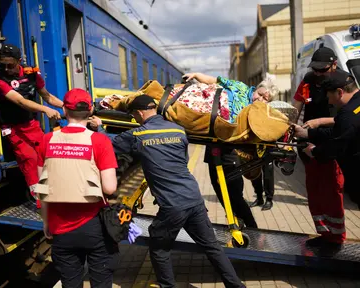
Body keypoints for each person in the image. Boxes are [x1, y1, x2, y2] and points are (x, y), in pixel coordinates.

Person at [89, 95, 245, 288]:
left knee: (159, 247)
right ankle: (236, 286)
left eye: (134, 116)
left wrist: (100, 128)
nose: (135, 120)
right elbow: (183, 160)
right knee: (212, 247)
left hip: (173, 205)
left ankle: (166, 285)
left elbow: (108, 146)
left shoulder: (138, 135)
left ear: (139, 113)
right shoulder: (179, 130)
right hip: (194, 198)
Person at [35, 89, 119, 288]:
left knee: (70, 283)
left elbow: (43, 189)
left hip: (60, 227)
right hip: (95, 226)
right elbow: (109, 188)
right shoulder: (99, 140)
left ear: (64, 109)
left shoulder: (47, 140)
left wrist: (46, 222)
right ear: (90, 109)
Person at [182, 72, 279, 228]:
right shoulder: (239, 86)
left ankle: (251, 227)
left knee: (234, 194)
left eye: (265, 99)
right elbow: (214, 80)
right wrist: (195, 74)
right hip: (214, 146)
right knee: (219, 189)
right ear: (256, 89)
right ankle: (235, 220)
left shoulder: (259, 113)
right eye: (260, 95)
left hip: (233, 153)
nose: (260, 99)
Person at [0, 44, 63, 208]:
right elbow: (21, 101)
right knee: (30, 159)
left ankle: (56, 191)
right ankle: (40, 200)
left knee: (47, 155)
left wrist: (67, 107)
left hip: (30, 124)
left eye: (10, 65)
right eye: (2, 64)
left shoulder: (32, 74)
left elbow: (47, 96)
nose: (6, 69)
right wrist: (45, 110)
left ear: (19, 61)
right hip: (13, 128)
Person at [292, 47, 346, 246]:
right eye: (315, 69)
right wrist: (289, 131)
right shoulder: (308, 81)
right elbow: (296, 108)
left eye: (322, 70)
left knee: (332, 191)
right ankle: (324, 234)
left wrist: (320, 122)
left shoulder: (343, 82)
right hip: (308, 144)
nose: (317, 74)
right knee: (315, 192)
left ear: (334, 65)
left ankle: (337, 238)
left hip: (331, 143)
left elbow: (348, 117)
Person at [295, 70, 360, 214]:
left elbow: (335, 147)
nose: (329, 102)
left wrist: (313, 151)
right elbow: (340, 131)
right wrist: (308, 133)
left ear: (340, 92)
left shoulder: (347, 114)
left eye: (329, 97)